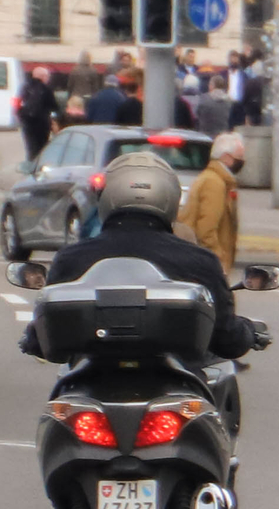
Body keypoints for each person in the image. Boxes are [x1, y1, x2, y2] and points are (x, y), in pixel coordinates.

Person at [24, 153, 255, 360]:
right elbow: (228, 340)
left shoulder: (71, 258)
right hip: (175, 387)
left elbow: (42, 337)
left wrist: (30, 339)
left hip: (87, 384)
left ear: (106, 196)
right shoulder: (200, 261)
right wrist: (249, 332)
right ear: (170, 199)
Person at [175, 132, 246, 276]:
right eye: (239, 157)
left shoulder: (217, 179)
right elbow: (206, 230)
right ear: (226, 157)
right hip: (207, 265)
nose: (243, 161)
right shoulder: (214, 183)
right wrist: (218, 260)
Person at [16, 65, 58, 163]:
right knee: (42, 147)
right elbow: (54, 106)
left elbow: (18, 103)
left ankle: (30, 164)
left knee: (31, 147)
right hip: (42, 123)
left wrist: (21, 116)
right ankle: (39, 165)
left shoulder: (24, 87)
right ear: (43, 76)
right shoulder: (46, 89)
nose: (48, 79)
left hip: (27, 123)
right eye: (47, 77)